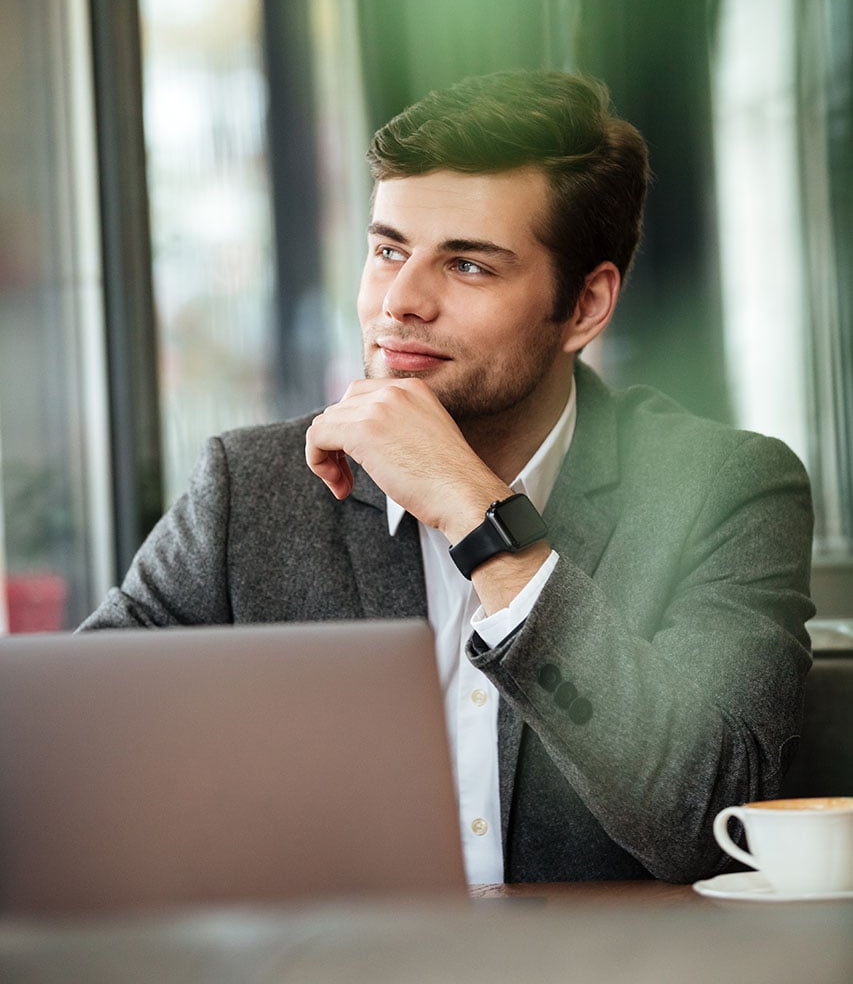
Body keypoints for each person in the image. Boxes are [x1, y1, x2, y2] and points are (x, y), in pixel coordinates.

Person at [81, 69, 814, 886]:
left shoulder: (722, 489)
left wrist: (485, 522)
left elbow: (709, 825)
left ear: (585, 306)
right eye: (389, 249)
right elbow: (76, 758)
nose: (399, 301)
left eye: (467, 266)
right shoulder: (247, 489)